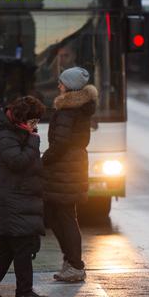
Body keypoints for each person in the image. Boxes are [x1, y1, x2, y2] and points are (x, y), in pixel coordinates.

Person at [0, 96, 48, 297]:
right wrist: (34, 140)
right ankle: (24, 292)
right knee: (23, 246)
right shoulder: (5, 135)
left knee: (6, 248)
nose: (35, 127)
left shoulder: (16, 133)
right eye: (33, 122)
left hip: (16, 199)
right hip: (12, 201)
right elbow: (18, 162)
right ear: (22, 119)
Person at [43, 67, 97, 283]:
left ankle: (75, 265)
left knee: (64, 217)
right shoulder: (79, 108)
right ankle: (71, 262)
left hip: (64, 167)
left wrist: (44, 159)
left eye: (61, 82)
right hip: (70, 166)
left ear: (70, 86)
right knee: (59, 216)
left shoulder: (68, 110)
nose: (58, 86)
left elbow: (60, 143)